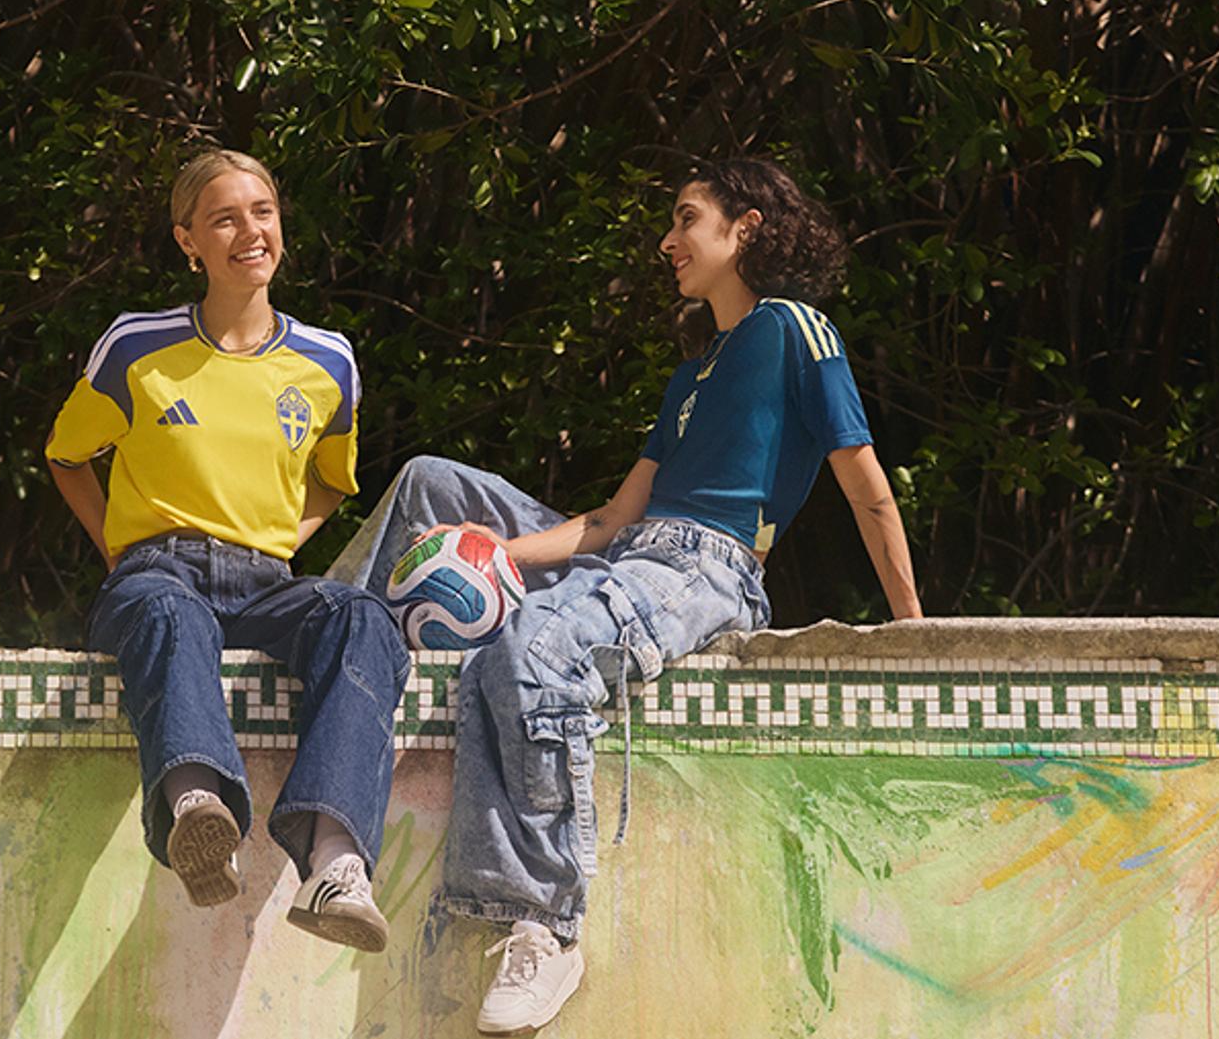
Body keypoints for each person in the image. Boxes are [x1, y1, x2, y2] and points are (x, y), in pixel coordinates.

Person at [327, 158, 922, 1030]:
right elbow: (607, 521)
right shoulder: (693, 377)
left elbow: (866, 486)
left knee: (530, 649)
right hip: (627, 555)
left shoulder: (797, 329)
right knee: (429, 482)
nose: (667, 240)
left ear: (746, 227)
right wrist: (488, 551)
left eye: (687, 219)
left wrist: (913, 626)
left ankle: (545, 924)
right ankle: (337, 645)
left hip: (703, 569)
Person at [46, 149, 406, 952]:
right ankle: (197, 806)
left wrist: (277, 537)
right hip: (157, 573)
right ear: (189, 242)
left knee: (363, 616)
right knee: (170, 608)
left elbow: (334, 482)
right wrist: (120, 551)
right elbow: (67, 456)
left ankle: (335, 864)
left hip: (266, 582)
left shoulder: (328, 361)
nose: (251, 230)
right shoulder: (136, 345)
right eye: (225, 217)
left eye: (263, 211)